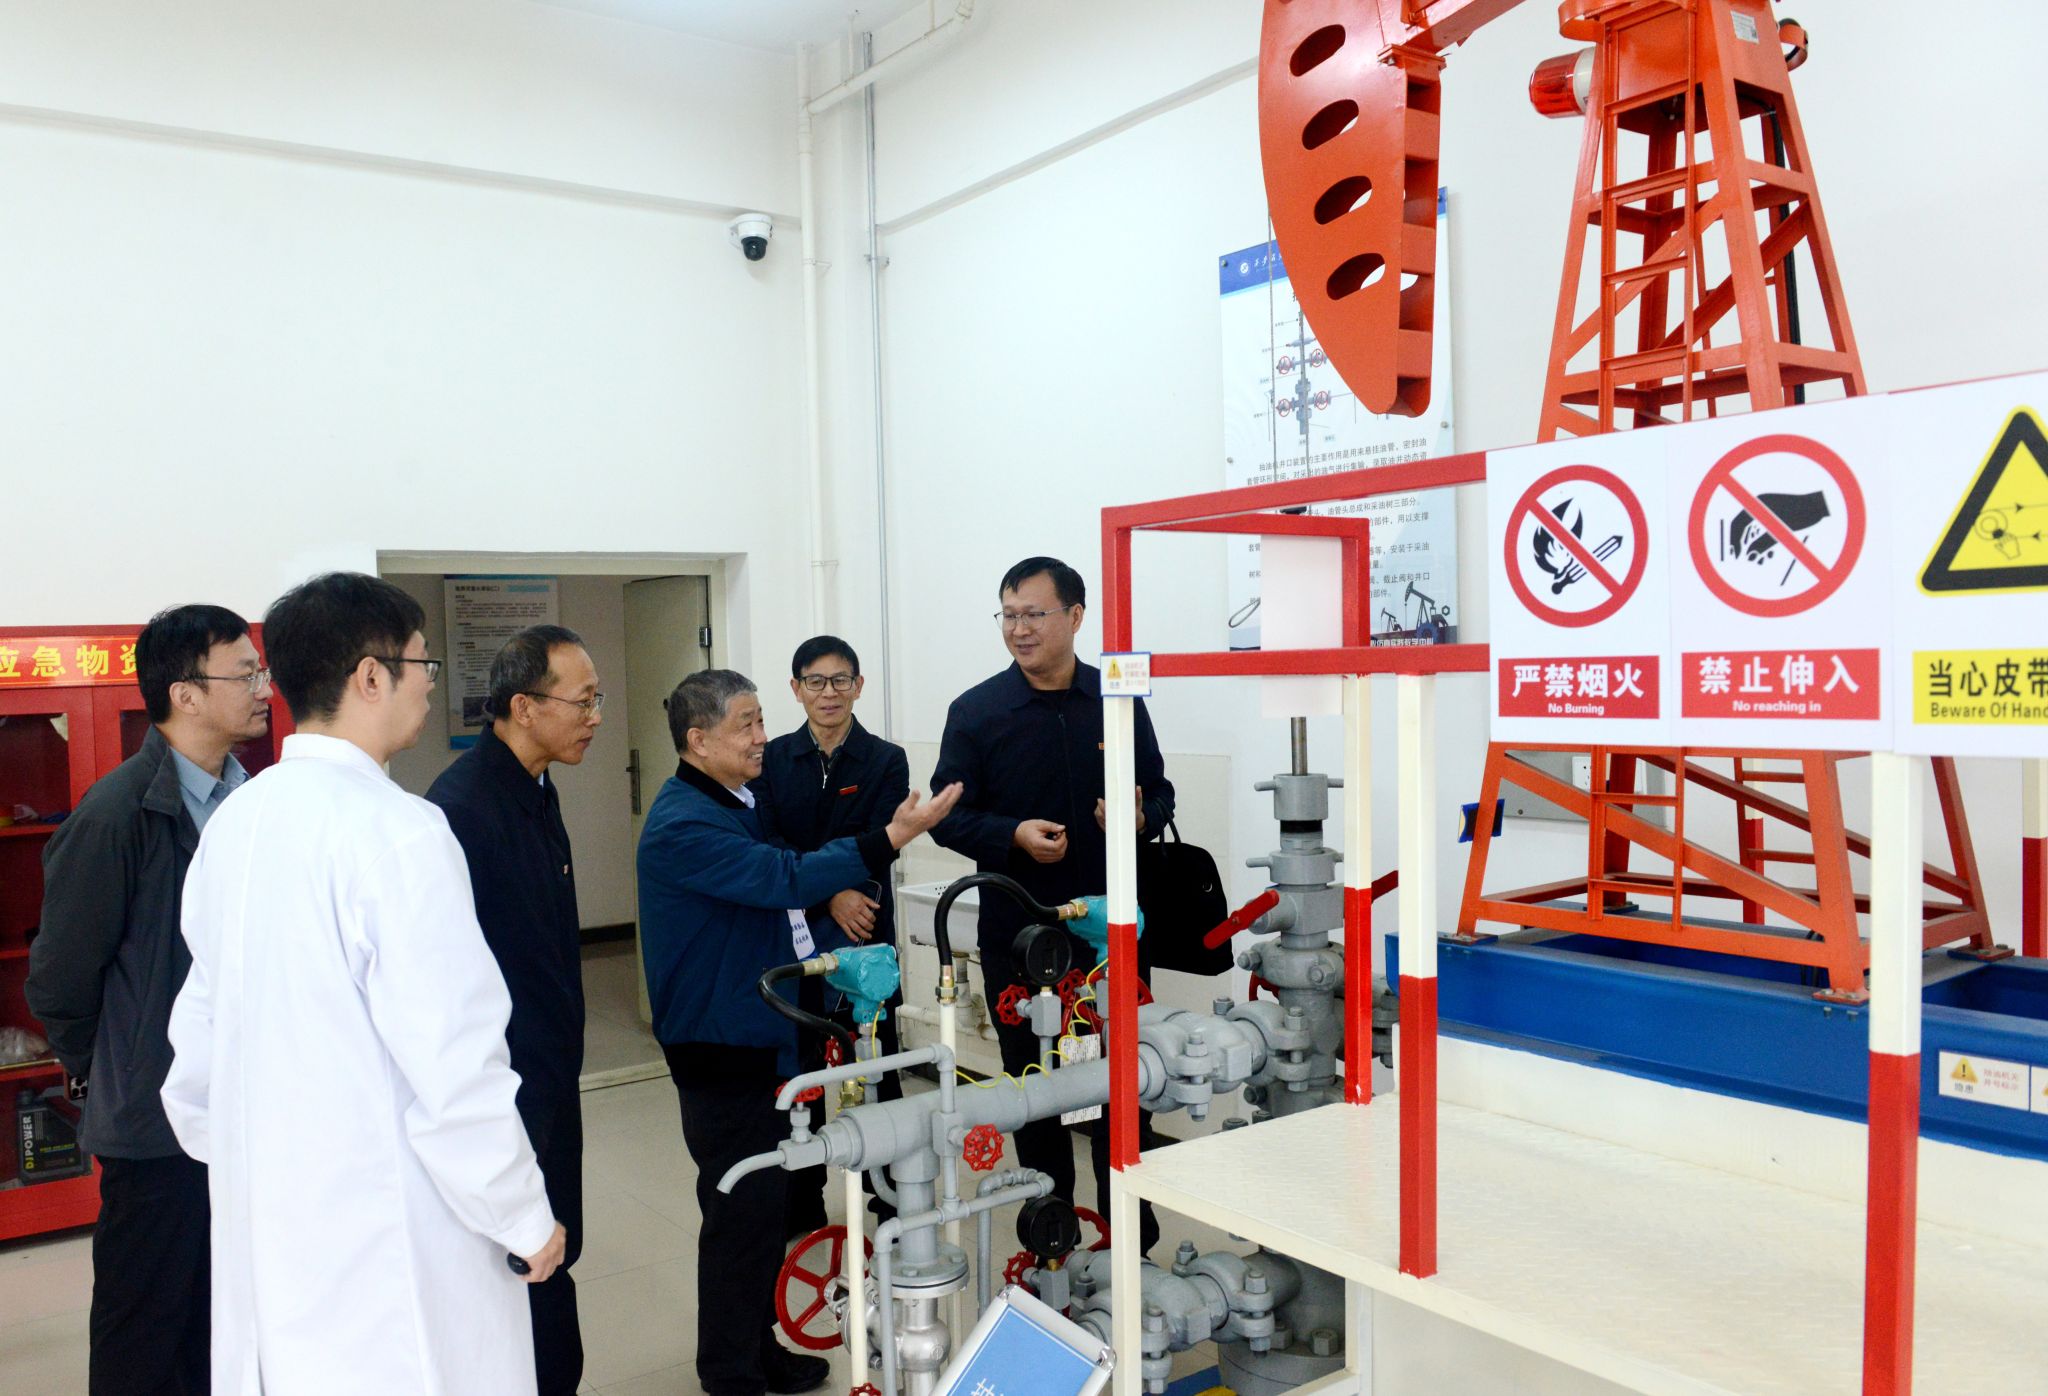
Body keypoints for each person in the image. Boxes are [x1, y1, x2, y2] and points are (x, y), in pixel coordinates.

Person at [162, 572, 566, 1395]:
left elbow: (195, 1049)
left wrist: (266, 1159)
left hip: (273, 1227)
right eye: (422, 664)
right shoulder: (399, 832)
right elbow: (455, 1065)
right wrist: (522, 1213)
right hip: (392, 1235)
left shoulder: (237, 821)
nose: (429, 684)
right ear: (371, 676)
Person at [637, 669, 959, 1396]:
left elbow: (780, 895)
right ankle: (730, 1372)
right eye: (747, 724)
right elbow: (781, 877)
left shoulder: (736, 801)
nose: (763, 737)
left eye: (760, 720)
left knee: (761, 1210)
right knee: (739, 1210)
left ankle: (758, 1349)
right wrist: (890, 837)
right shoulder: (685, 822)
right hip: (721, 1046)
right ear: (698, 740)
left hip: (759, 1031)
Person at [26, 604, 270, 1395]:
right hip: (153, 1128)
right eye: (245, 674)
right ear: (185, 693)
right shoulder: (115, 815)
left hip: (242, 1114)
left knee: (220, 1321)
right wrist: (116, 1068)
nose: (263, 689)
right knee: (143, 1329)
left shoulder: (253, 805)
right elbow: (59, 980)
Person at [929, 556, 1174, 1254]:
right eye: (1008, 615)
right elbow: (947, 818)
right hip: (1020, 939)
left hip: (1112, 937)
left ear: (1075, 616)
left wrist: (1139, 817)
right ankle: (1051, 1239)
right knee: (1034, 1093)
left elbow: (1160, 792)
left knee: (1125, 1086)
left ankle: (1132, 1237)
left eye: (1034, 614)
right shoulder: (977, 712)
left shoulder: (1116, 700)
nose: (1019, 629)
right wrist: (1011, 834)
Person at [426, 624, 601, 1396]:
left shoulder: (536, 787)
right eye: (583, 701)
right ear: (525, 706)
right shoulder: (460, 810)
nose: (595, 717)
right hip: (503, 1084)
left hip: (549, 1069)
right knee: (518, 1262)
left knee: (557, 1246)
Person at [753, 635, 911, 1236]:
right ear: (796, 689)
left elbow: (881, 839)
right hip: (798, 930)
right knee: (800, 1069)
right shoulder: (771, 759)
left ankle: (890, 1198)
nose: (829, 693)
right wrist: (828, 893)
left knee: (876, 1064)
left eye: (840, 680)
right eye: (815, 682)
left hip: (863, 932)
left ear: (858, 686)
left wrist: (844, 892)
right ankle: (801, 1204)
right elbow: (767, 844)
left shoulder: (886, 760)